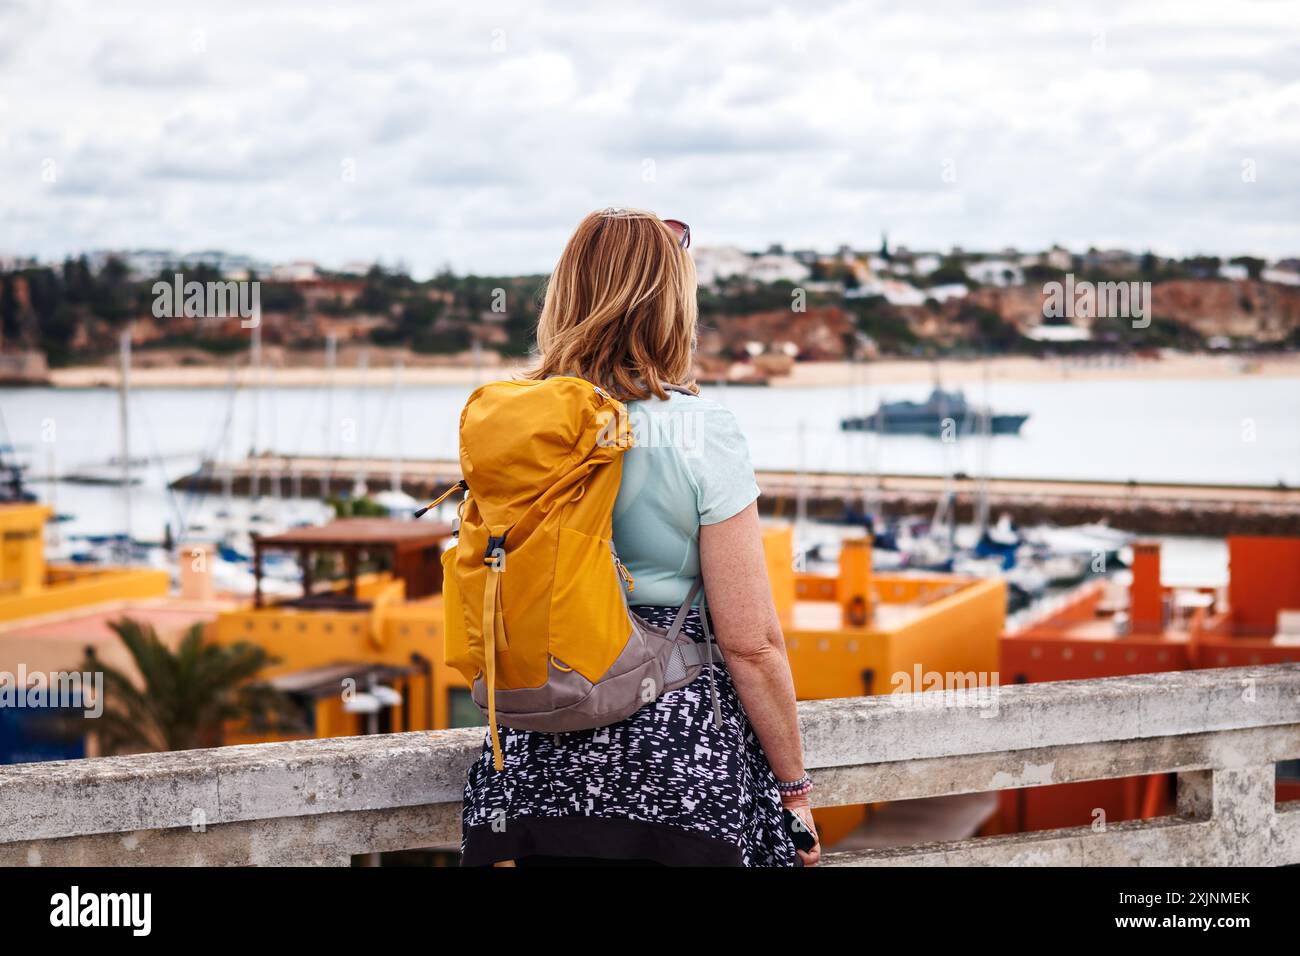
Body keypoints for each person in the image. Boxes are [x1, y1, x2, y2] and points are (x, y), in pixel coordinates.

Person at [459, 207, 820, 867]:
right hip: (671, 765)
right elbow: (751, 643)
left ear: (566, 295)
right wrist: (794, 790)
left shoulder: (513, 424)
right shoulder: (702, 429)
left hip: (528, 765)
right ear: (671, 306)